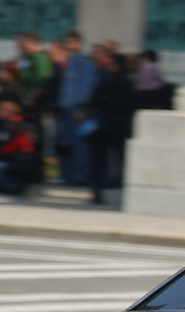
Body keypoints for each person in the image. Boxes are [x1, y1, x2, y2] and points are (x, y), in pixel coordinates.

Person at [85, 44, 135, 204]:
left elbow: (94, 101)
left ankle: (97, 192)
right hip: (122, 126)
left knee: (99, 161)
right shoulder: (129, 83)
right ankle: (120, 191)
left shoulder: (105, 80)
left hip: (103, 124)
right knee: (121, 160)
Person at [0, 100, 42, 195]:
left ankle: (13, 186)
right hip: (15, 161)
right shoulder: (4, 124)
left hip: (16, 162)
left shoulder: (15, 126)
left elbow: (7, 148)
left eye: (0, 110)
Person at [57, 30, 98, 185]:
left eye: (71, 42)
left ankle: (80, 175)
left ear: (78, 43)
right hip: (64, 108)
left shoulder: (85, 63)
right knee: (65, 143)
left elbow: (87, 87)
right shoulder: (65, 61)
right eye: (66, 42)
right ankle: (67, 174)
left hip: (77, 109)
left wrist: (83, 109)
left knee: (80, 146)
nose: (68, 45)